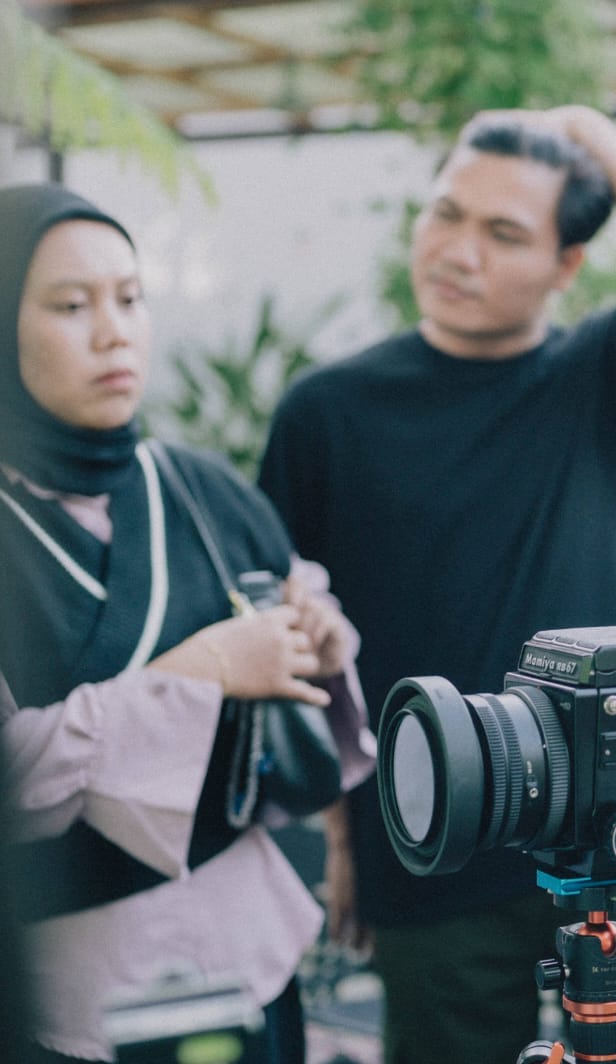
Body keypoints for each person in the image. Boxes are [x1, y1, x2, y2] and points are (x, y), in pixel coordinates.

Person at [258, 107, 616, 1064]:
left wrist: (590, 132)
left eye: (504, 232)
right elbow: (299, 642)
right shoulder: (329, 411)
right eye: (446, 214)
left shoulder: (599, 375)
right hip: (436, 822)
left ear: (566, 267)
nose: (456, 250)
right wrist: (346, 840)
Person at [0, 183, 374, 1063]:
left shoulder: (202, 490)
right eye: (70, 305)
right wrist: (200, 671)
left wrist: (315, 644)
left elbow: (307, 637)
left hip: (243, 953)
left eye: (130, 299)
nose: (113, 331)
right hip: (67, 994)